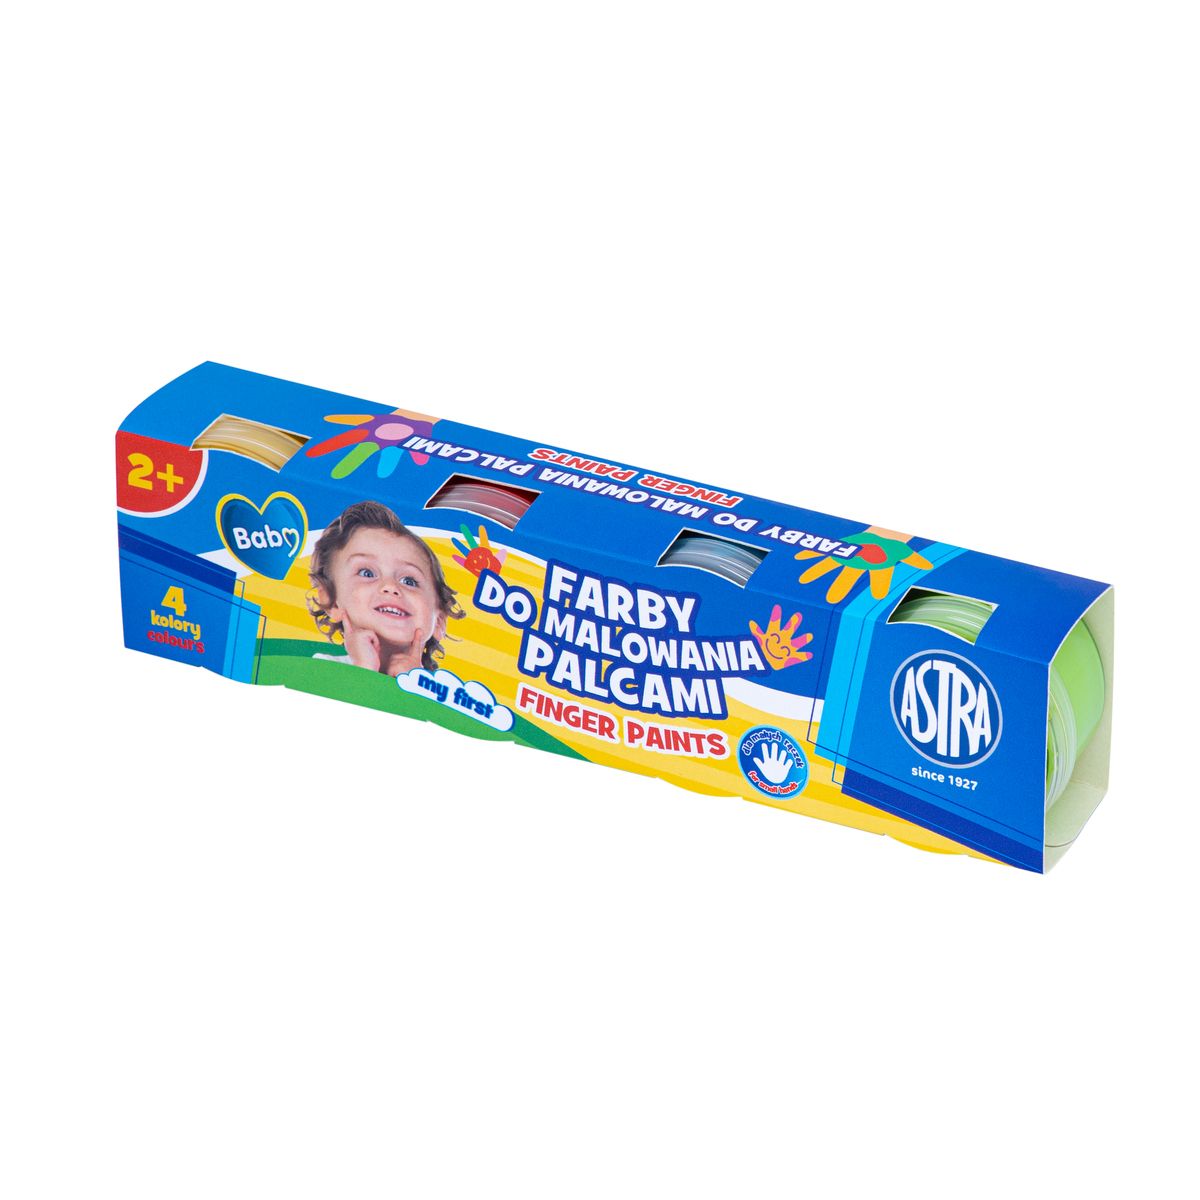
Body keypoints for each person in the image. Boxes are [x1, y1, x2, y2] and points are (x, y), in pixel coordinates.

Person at [307, 500, 464, 675]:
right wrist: (364, 669)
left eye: (409, 581)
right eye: (367, 573)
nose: (390, 586)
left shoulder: (440, 688)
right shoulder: (325, 667)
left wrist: (414, 683)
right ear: (332, 601)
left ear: (439, 621)